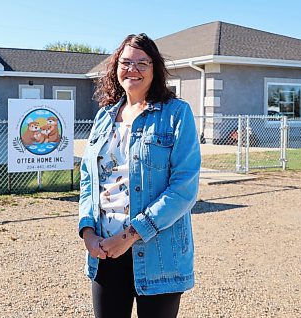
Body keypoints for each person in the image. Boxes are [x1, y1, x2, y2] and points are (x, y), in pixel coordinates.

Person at [78, 33, 201, 318]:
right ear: (115, 68)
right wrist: (87, 231)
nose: (132, 69)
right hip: (104, 250)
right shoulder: (104, 116)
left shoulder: (176, 114)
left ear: (155, 69)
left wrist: (131, 235)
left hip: (158, 255)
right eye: (125, 62)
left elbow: (184, 188)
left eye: (142, 63)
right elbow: (88, 179)